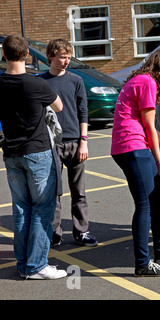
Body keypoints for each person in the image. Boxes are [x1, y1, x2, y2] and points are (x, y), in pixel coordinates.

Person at [111, 48, 160, 277]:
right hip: (133, 147)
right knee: (144, 204)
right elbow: (149, 127)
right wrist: (159, 161)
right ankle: (143, 263)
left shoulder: (140, 80)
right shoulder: (147, 83)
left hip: (134, 146)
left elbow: (152, 130)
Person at [0, 34, 66, 279]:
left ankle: (24, 264)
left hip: (11, 154)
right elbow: (58, 106)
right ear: (27, 54)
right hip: (37, 153)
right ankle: (37, 266)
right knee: (41, 209)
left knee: (21, 210)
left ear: (4, 55)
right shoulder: (36, 84)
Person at [40, 39, 98, 247]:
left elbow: (83, 112)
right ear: (51, 57)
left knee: (79, 192)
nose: (66, 61)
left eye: (68, 57)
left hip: (75, 141)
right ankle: (55, 233)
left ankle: (81, 231)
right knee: (53, 192)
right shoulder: (42, 82)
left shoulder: (76, 81)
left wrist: (84, 142)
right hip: (51, 144)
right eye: (62, 57)